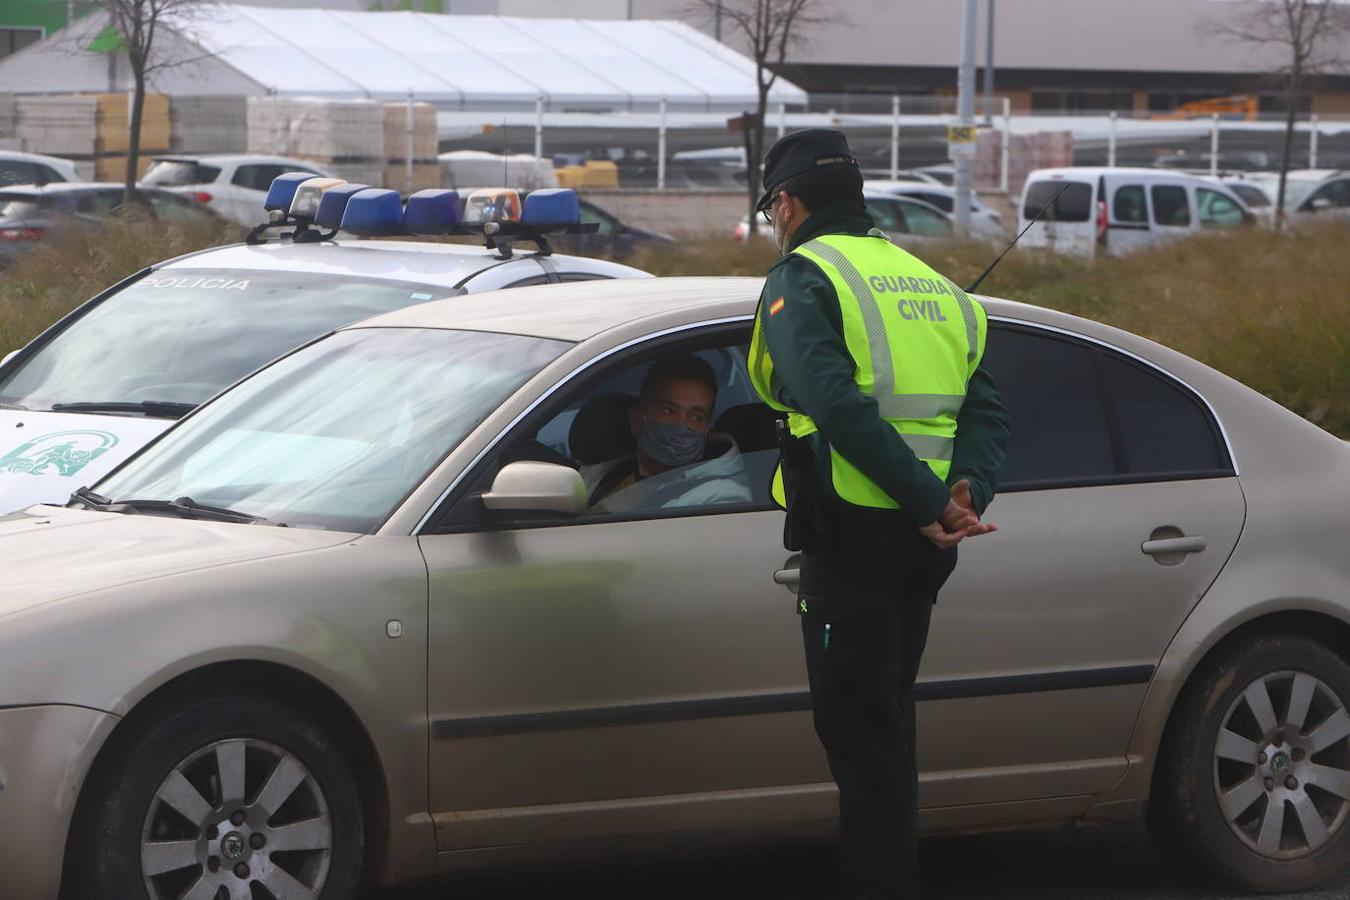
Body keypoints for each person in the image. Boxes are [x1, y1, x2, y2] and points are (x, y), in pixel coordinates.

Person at [747, 129, 1011, 900]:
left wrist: (933, 503)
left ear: (787, 203)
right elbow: (986, 411)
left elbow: (833, 401)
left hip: (855, 534)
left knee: (866, 746)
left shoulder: (806, 278)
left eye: (771, 210)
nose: (773, 224)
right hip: (924, 547)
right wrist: (964, 493)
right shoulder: (933, 286)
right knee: (887, 732)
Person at [581, 352, 752, 513]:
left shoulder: (723, 497)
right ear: (637, 420)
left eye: (696, 417)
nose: (681, 424)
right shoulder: (605, 475)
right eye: (668, 410)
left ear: (706, 432)